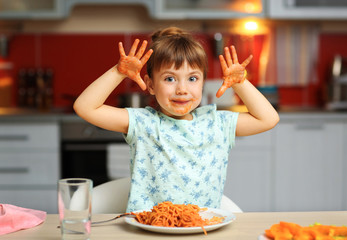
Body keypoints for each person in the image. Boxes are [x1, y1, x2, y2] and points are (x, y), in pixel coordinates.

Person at [73, 27, 279, 212]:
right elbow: (84, 107)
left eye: (192, 78)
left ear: (202, 83)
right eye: (169, 79)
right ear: (151, 85)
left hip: (202, 230)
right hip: (148, 231)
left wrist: (240, 83)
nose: (182, 89)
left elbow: (268, 119)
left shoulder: (216, 123)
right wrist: (118, 73)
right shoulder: (143, 123)